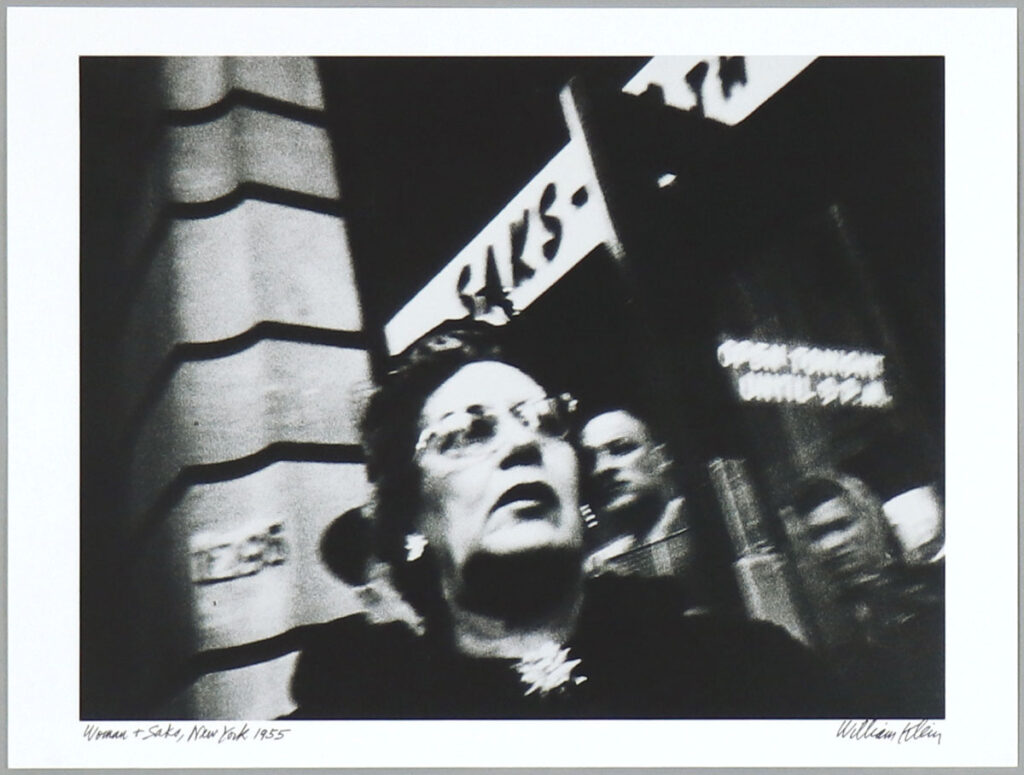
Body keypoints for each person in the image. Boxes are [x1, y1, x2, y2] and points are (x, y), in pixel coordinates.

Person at [287, 320, 844, 719]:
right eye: (468, 432)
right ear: (409, 520)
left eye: (543, 420)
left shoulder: (745, 674)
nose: (522, 443)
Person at [784, 473, 944, 717]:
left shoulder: (931, 604)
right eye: (817, 535)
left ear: (872, 523)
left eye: (842, 525)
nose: (832, 545)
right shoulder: (833, 640)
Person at [579, 409, 694, 580]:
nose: (601, 469)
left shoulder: (708, 526)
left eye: (621, 449)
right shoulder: (601, 567)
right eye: (591, 460)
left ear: (661, 457)